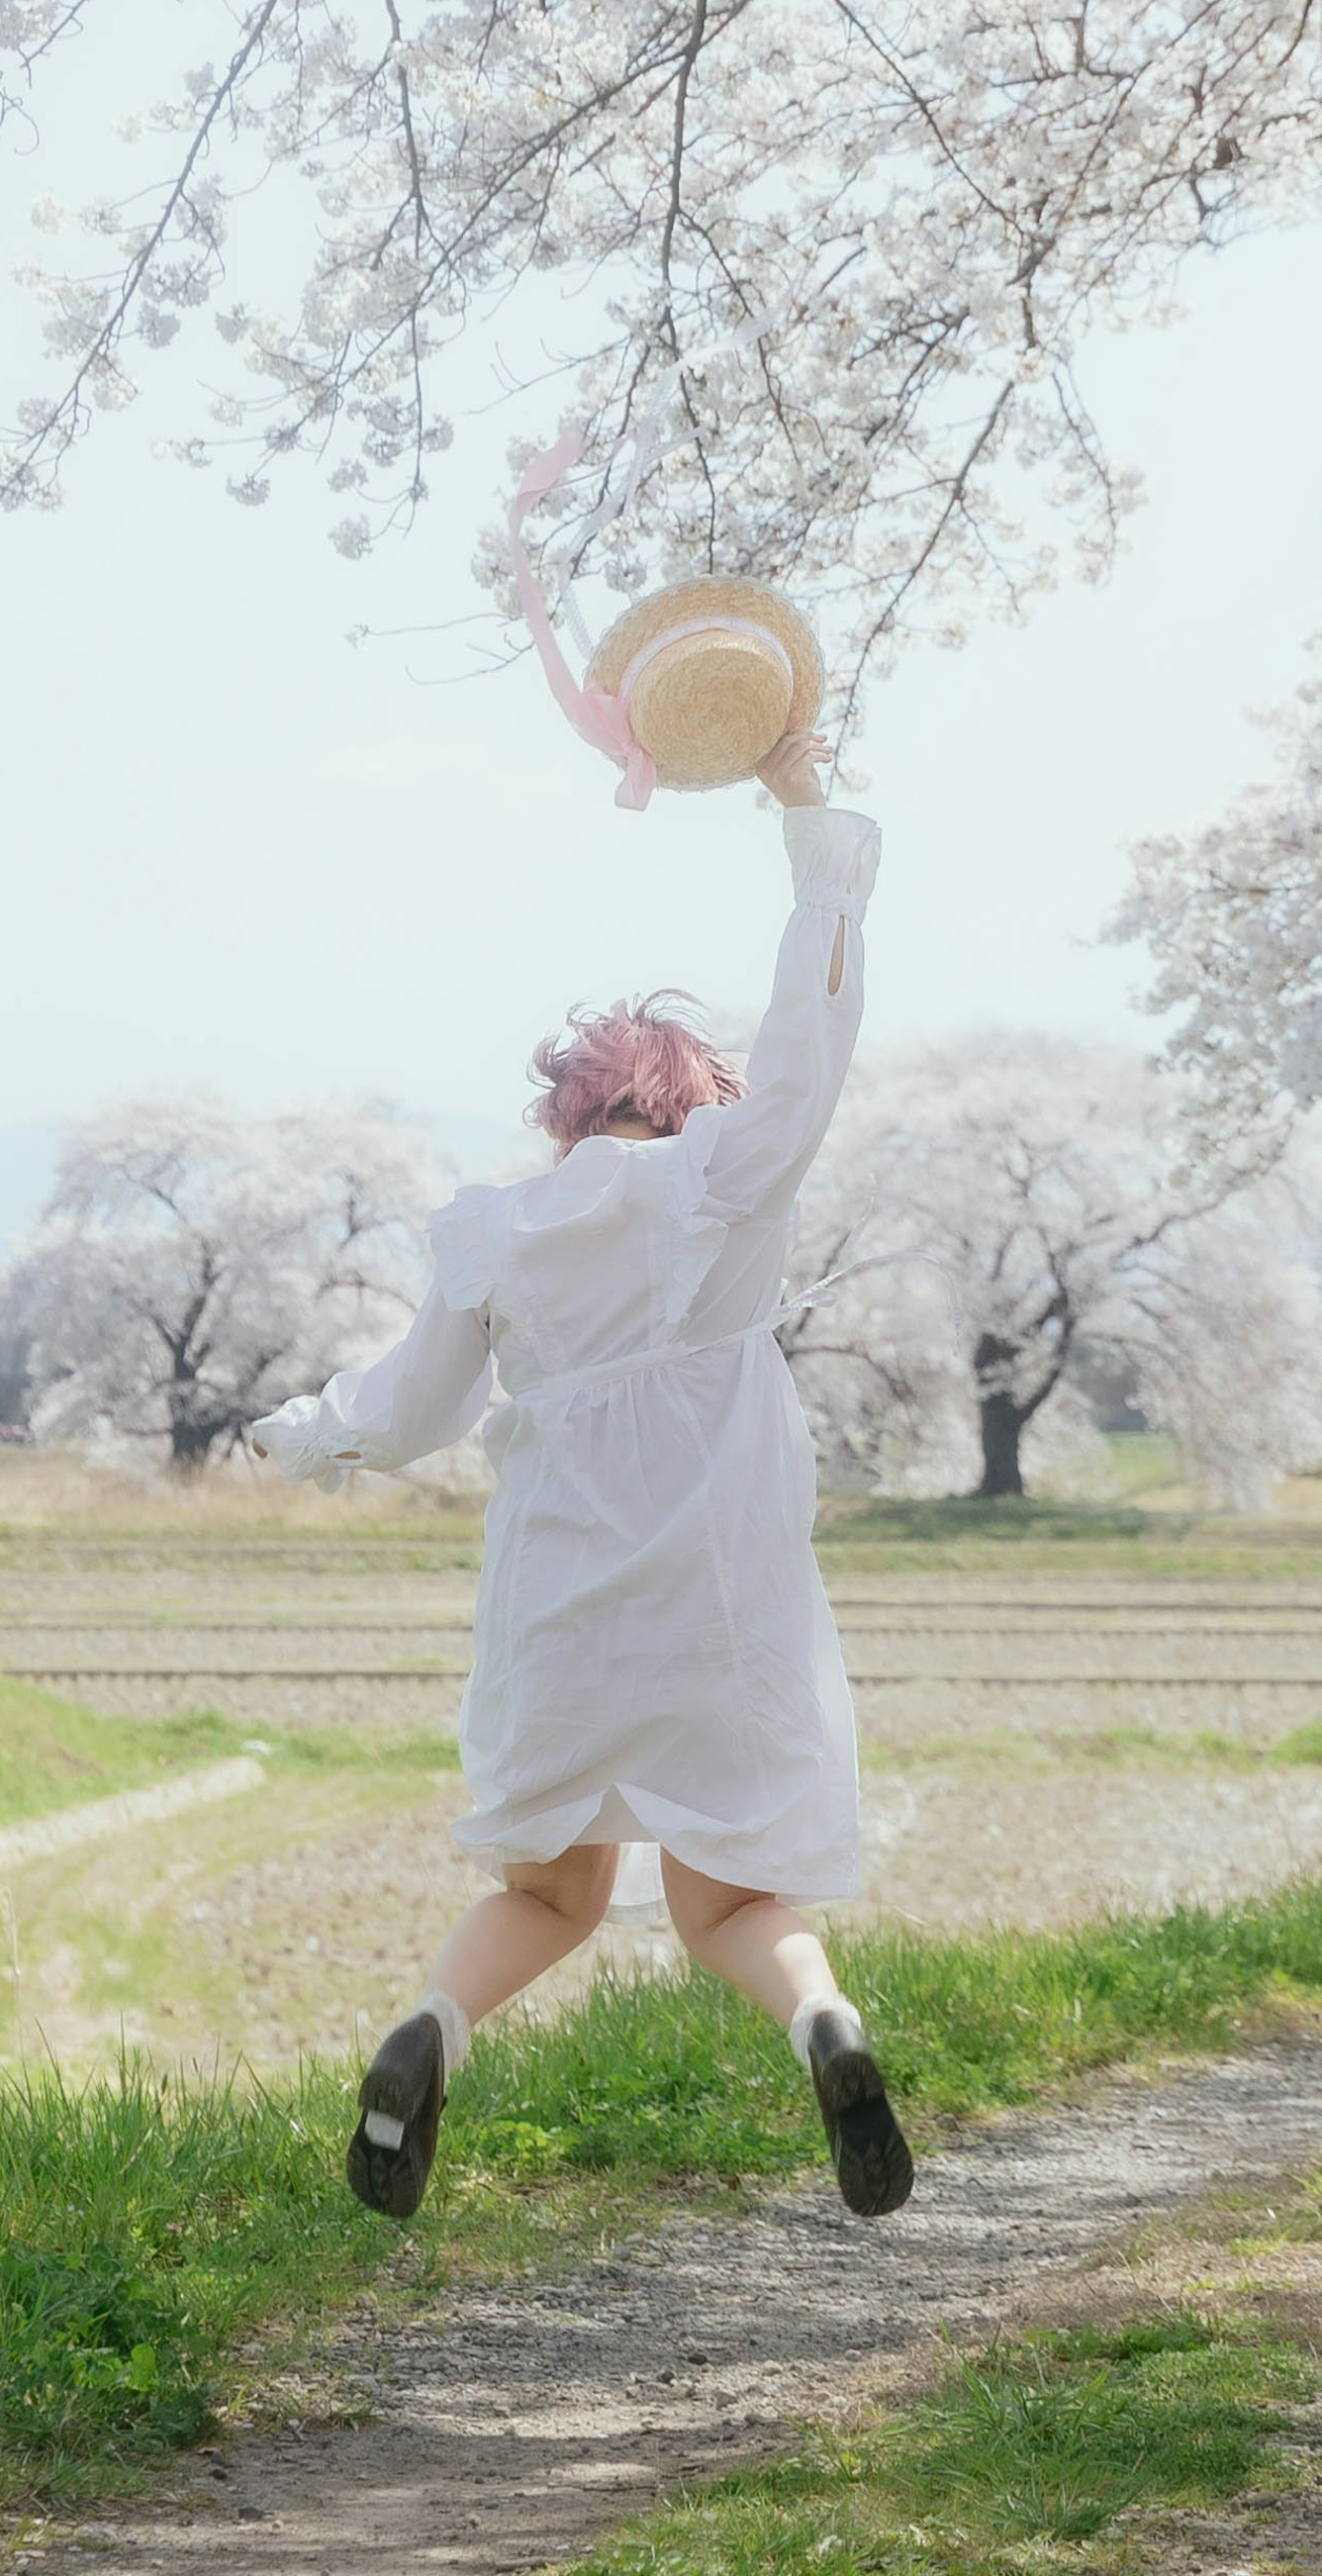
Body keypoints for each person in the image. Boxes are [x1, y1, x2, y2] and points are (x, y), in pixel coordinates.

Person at [251, 720, 909, 2224]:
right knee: (732, 1896)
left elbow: (410, 1411)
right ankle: (825, 2025)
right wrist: (808, 819)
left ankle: (432, 2029)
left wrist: (303, 1431)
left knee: (550, 1891)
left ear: (567, 1110)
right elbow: (814, 1043)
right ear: (693, 1100)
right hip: (720, 1602)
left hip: (559, 1599)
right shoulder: (731, 1178)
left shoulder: (493, 1229)